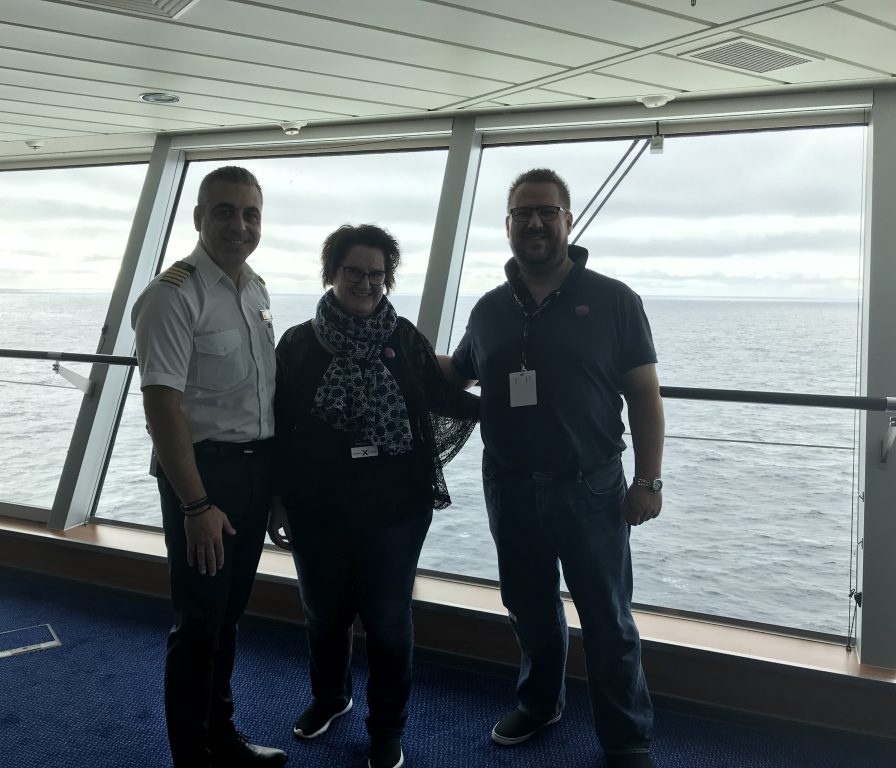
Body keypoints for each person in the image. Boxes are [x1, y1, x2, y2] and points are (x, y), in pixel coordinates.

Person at [439, 168, 665, 768]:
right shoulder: (489, 309)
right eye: (523, 213)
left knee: (608, 620)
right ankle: (541, 705)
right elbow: (457, 373)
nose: (535, 223)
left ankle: (626, 737)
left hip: (591, 487)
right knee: (529, 608)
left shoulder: (615, 300)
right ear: (508, 225)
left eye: (547, 212)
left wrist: (647, 480)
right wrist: (386, 340)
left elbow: (644, 395)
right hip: (508, 486)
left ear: (568, 221)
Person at [268, 224, 478, 768]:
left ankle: (387, 728)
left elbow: (440, 396)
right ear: (331, 273)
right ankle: (330, 698)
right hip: (318, 508)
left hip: (395, 509)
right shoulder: (296, 343)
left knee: (387, 622)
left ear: (388, 278)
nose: (366, 283)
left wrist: (518, 406)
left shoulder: (403, 337)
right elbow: (277, 425)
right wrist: (277, 498)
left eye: (377, 274)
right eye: (354, 271)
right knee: (323, 615)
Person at [131, 166, 287, 768]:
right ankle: (190, 757)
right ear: (199, 218)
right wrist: (196, 504)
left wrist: (273, 491)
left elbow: (259, 400)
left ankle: (220, 735)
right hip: (201, 478)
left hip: (252, 473)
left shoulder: (256, 289)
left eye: (250, 213)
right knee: (198, 624)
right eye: (224, 211)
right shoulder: (172, 294)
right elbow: (161, 407)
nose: (239, 225)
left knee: (230, 616)